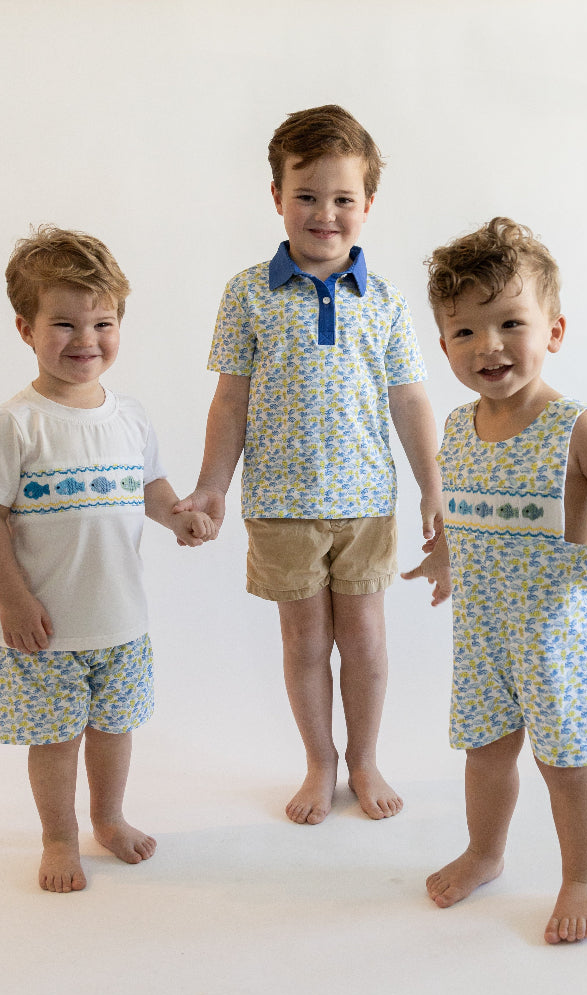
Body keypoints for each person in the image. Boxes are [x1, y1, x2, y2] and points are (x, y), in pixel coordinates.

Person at [178, 105, 442, 825]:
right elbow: (229, 401)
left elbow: (411, 401)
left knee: (365, 640)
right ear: (277, 197)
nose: (325, 213)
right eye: (307, 195)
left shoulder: (383, 301)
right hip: (280, 505)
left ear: (367, 206)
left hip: (365, 504)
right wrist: (210, 486)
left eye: (343, 199)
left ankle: (365, 757)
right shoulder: (248, 293)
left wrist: (433, 487)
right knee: (306, 642)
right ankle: (320, 760)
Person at [402, 217, 587, 943]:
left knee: (564, 762)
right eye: (464, 331)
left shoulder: (575, 427)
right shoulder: (457, 429)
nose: (488, 346)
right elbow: (462, 507)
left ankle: (585, 875)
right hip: (484, 629)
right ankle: (485, 852)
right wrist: (446, 555)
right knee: (486, 752)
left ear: (553, 330)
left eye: (510, 322)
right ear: (445, 340)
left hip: (558, 635)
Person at [0, 226, 214, 892]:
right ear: (25, 328)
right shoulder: (15, 423)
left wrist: (179, 515)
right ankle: (60, 837)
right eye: (64, 324)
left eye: (102, 322)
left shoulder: (129, 417)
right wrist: (13, 599)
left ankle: (109, 817)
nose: (85, 340)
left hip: (122, 623)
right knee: (56, 740)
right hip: (45, 631)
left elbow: (149, 488)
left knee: (113, 730)